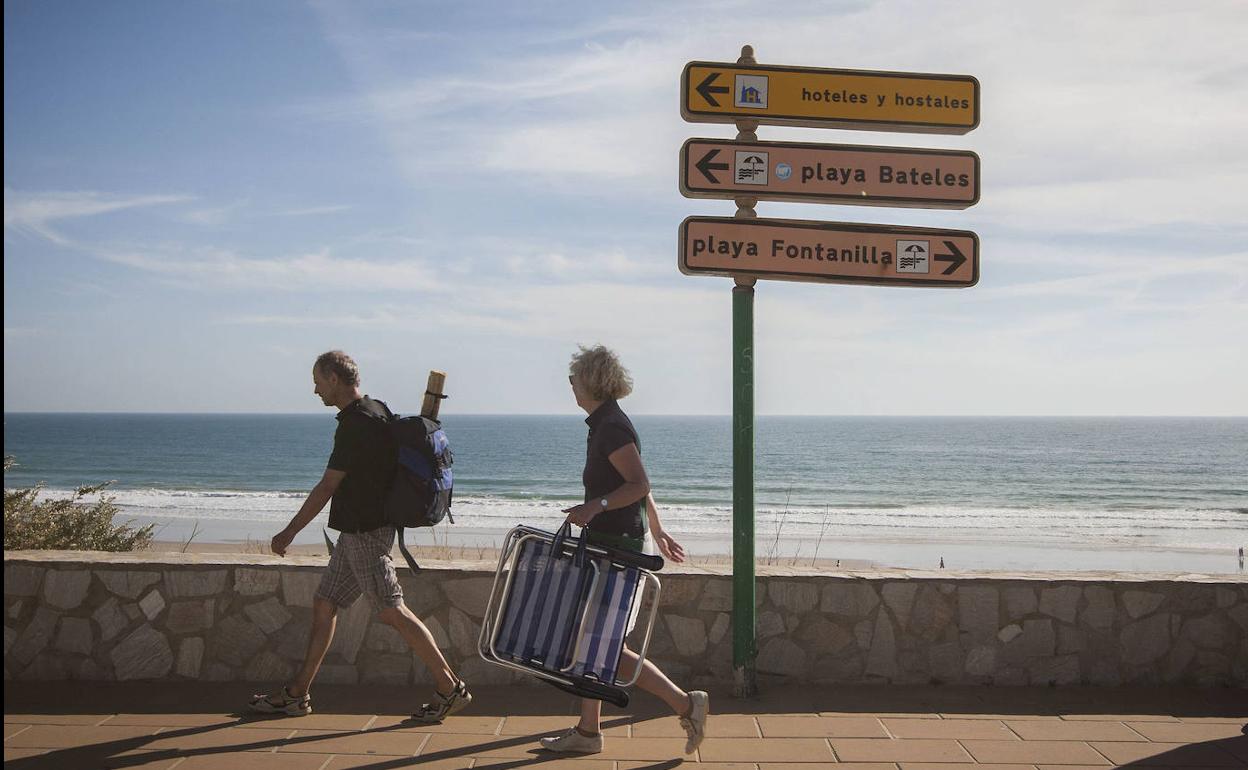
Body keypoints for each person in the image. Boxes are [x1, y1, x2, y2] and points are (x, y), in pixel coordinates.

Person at [248, 350, 471, 722]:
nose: (315, 389)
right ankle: (297, 694)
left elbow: (327, 486)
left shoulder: (355, 424)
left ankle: (450, 687)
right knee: (325, 604)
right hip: (356, 532)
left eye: (318, 381)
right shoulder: (377, 409)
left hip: (367, 533)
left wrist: (288, 532)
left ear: (334, 379)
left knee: (391, 609)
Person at [539, 345, 708, 756]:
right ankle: (588, 732)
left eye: (574, 376)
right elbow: (632, 487)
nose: (570, 384)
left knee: (603, 647)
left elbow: (638, 483)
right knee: (594, 642)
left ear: (592, 381)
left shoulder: (611, 427)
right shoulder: (604, 424)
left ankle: (686, 704)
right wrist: (658, 527)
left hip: (617, 551)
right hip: (609, 545)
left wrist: (593, 508)